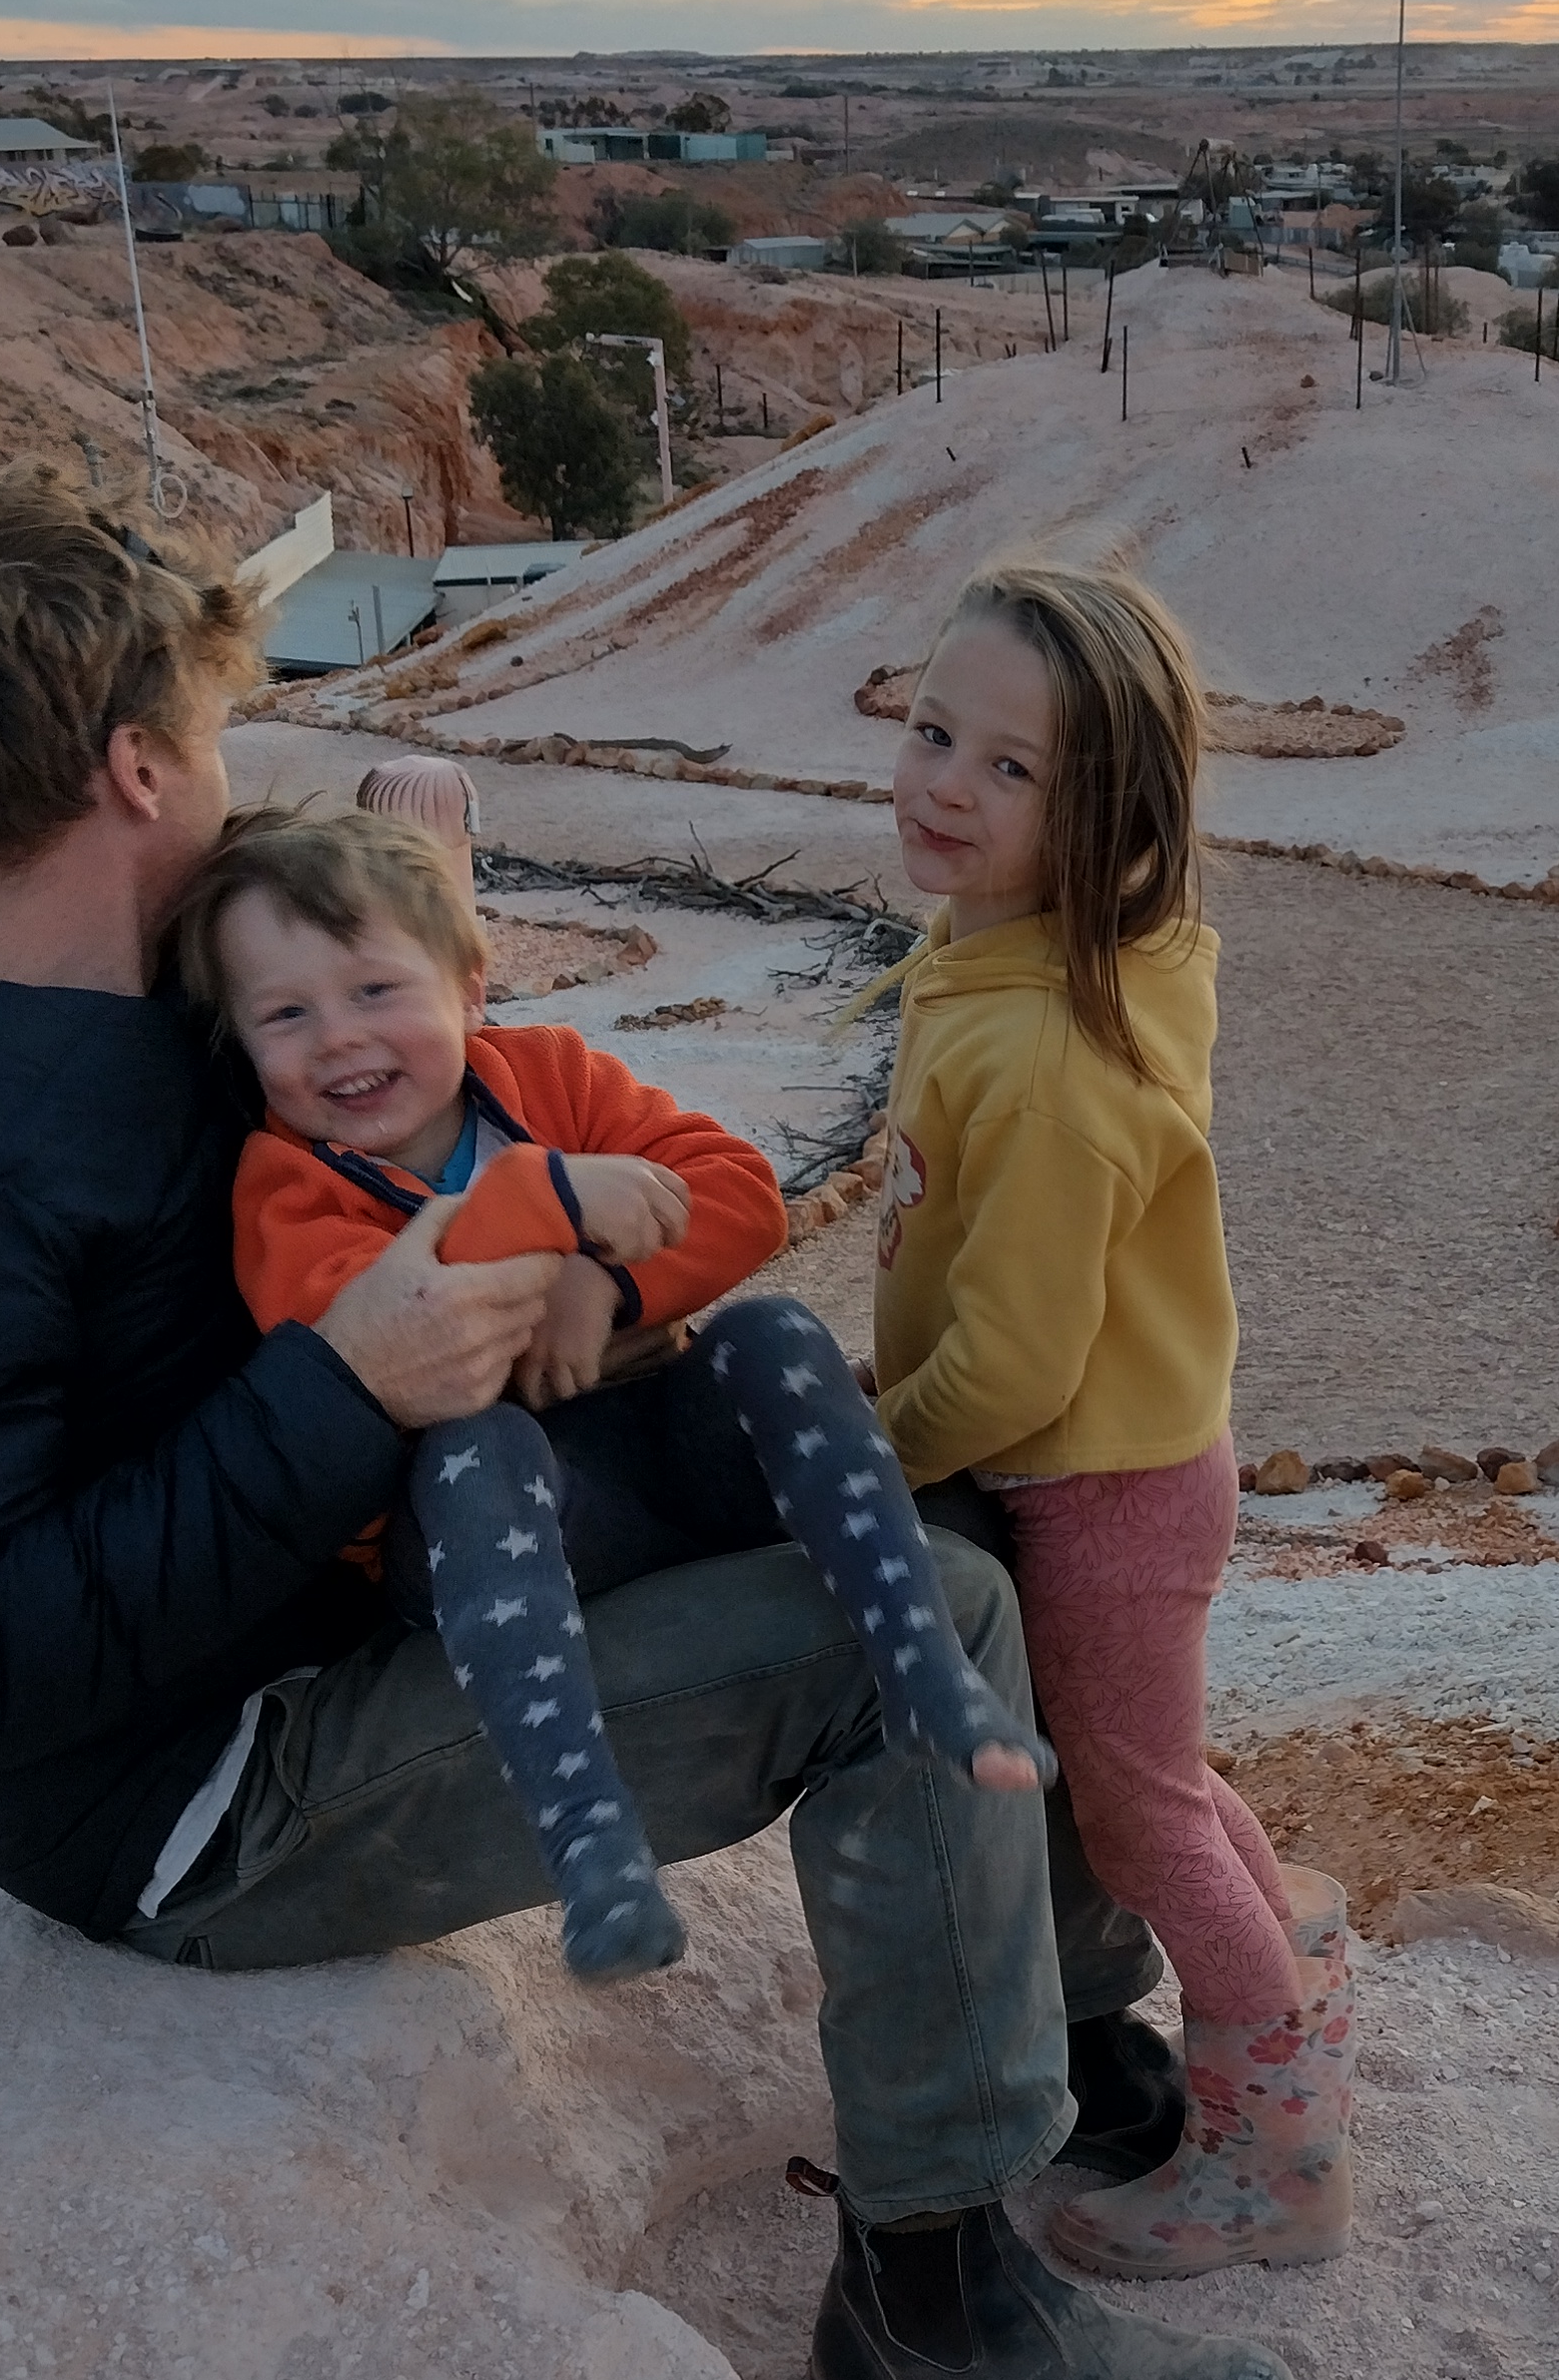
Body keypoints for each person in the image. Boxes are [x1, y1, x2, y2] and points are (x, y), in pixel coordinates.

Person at [0, 460, 1293, 2380]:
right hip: (204, 1786)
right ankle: (934, 2309)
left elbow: (421, 1134)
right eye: (218, 741)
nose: (237, 790)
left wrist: (448, 997)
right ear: (137, 768)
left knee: (909, 1495)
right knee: (910, 1630)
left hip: (363, 1569)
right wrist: (341, 1389)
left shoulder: (123, 980)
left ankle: (1083, 2042)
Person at [162, 800, 1047, 1983]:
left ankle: (929, 1676)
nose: (338, 1039)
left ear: (470, 989)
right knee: (475, 1444)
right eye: (286, 1014)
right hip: (490, 1533)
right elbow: (388, 1331)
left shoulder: (549, 1074)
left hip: (651, 1457)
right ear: (241, 1042)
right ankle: (590, 1843)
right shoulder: (284, 1188)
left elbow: (738, 1189)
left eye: (375, 990)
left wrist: (607, 1286)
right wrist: (550, 1203)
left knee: (774, 1334)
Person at [872, 559, 1353, 2277]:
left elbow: (1013, 1365)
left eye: (1012, 769)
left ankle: (1275, 2156)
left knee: (1136, 1818)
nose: (946, 786)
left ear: (1107, 820)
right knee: (1164, 1779)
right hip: (1135, 1462)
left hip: (1097, 1486)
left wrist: (883, 1455)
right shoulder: (1010, 961)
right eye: (934, 731)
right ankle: (1288, 1983)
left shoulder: (1052, 1063)